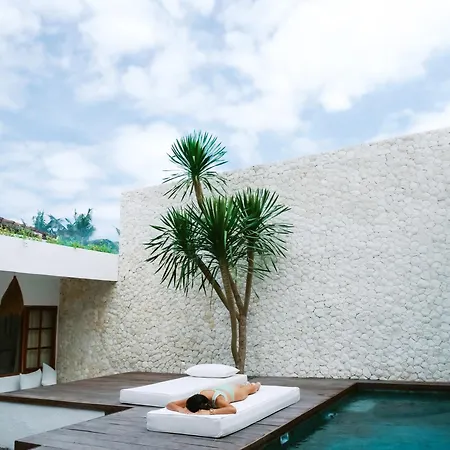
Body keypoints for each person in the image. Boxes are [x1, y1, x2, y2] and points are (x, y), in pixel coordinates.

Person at [166, 381, 261, 415]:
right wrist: (180, 409)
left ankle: (256, 385)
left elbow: (232, 409)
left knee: (251, 389)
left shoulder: (218, 400)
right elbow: (170, 404)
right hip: (222, 388)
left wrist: (210, 412)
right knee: (242, 386)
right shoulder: (195, 399)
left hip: (233, 392)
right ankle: (245, 385)